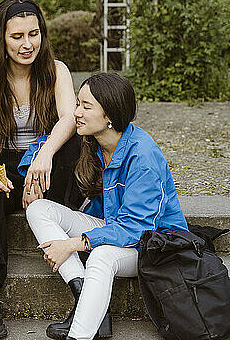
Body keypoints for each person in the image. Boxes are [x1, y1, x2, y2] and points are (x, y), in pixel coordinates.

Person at [25, 72, 189, 340]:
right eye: (78, 103)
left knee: (100, 257)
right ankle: (82, 295)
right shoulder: (94, 140)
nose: (76, 112)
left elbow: (136, 229)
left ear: (110, 114)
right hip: (114, 228)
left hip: (152, 245)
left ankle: (78, 336)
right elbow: (42, 145)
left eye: (86, 106)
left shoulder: (142, 156)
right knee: (39, 209)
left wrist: (73, 243)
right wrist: (32, 174)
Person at [0, 0, 84, 338]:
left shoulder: (56, 70)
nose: (27, 44)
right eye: (17, 36)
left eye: (34, 34)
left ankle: (71, 242)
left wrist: (44, 154)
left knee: (74, 143)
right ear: (0, 38)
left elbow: (67, 118)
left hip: (45, 166)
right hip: (1, 163)